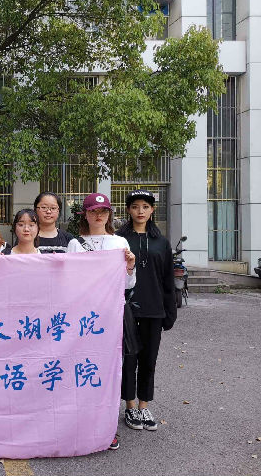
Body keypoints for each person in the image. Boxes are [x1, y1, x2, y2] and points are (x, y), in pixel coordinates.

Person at [66, 192, 136, 450]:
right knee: (81, 371)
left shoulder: (119, 242)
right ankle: (80, 425)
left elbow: (128, 284)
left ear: (109, 214)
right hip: (83, 319)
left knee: (109, 372)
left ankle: (107, 428)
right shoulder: (75, 244)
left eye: (103, 211)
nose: (98, 215)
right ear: (84, 215)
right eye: (93, 211)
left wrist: (130, 266)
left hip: (111, 318)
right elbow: (69, 282)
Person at [116, 190, 176, 432]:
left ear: (152, 210)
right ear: (128, 210)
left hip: (154, 309)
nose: (140, 211)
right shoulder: (119, 240)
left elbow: (168, 279)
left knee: (149, 360)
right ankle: (130, 406)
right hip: (126, 309)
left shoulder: (162, 242)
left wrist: (169, 311)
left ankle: (144, 405)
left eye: (145, 206)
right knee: (128, 360)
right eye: (135, 206)